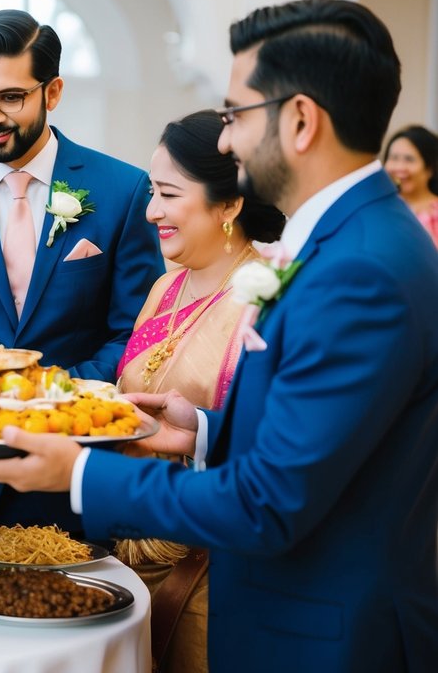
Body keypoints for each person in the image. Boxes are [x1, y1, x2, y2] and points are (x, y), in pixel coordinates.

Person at [0, 0, 438, 672]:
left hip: (322, 633)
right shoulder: (353, 240)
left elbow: (268, 502)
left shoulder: (359, 269)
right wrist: (204, 431)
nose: (225, 140)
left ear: (299, 120)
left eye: (236, 114)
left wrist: (79, 470)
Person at [0, 9, 162, 533]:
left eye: (11, 98)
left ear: (53, 91)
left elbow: (131, 333)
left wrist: (54, 397)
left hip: (80, 474)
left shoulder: (121, 189)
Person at [114, 111, 285, 673]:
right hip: (128, 552)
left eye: (167, 193)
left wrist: (200, 431)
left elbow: (272, 442)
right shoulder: (166, 286)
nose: (150, 211)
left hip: (209, 568)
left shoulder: (266, 297)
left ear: (230, 204)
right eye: (151, 192)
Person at [383, 124, 438, 247]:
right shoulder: (379, 207)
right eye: (394, 158)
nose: (399, 167)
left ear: (430, 168)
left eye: (409, 159)